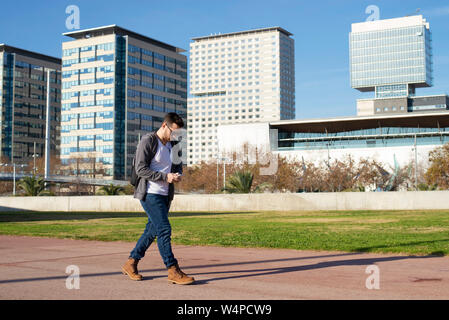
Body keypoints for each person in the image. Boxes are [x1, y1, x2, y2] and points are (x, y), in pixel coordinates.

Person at [121, 112, 195, 285]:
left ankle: (131, 263)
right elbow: (140, 169)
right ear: (164, 126)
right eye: (173, 132)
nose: (175, 136)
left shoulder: (175, 144)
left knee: (152, 231)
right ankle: (172, 270)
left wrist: (177, 175)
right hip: (149, 193)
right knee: (164, 230)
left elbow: (178, 166)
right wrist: (165, 177)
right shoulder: (148, 140)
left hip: (165, 195)